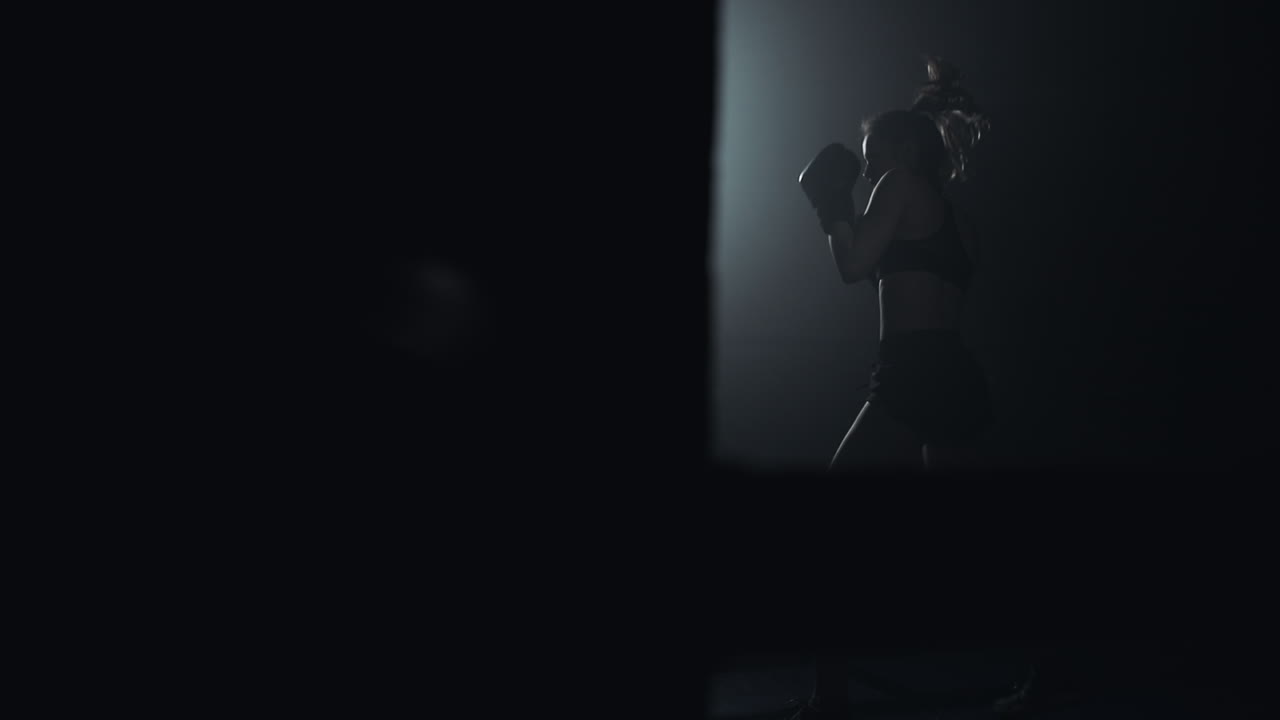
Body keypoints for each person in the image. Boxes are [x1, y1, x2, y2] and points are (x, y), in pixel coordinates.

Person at [800, 56, 994, 474]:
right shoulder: (961, 223)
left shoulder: (898, 183)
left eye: (873, 158)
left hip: (912, 369)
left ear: (906, 152)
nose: (867, 172)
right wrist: (846, 217)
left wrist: (831, 205)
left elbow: (852, 268)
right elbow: (896, 281)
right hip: (957, 374)